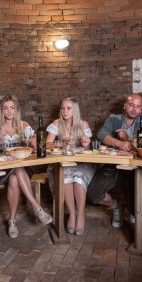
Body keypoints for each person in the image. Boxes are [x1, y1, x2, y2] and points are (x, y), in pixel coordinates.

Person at [0, 95, 52, 238]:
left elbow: (32, 147)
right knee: (16, 171)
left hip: (22, 168)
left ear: (16, 110)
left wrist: (33, 142)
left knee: (15, 178)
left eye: (12, 108)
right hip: (2, 169)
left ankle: (12, 221)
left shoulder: (24, 126)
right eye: (5, 108)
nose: (9, 111)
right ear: (1, 111)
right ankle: (37, 207)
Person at [94, 93, 142, 227]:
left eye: (138, 106)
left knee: (133, 192)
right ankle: (116, 206)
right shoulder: (113, 119)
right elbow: (101, 134)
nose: (134, 109)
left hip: (135, 168)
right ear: (124, 106)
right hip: (112, 165)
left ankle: (132, 212)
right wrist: (119, 143)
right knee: (93, 192)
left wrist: (128, 139)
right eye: (131, 105)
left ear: (141, 109)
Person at [45, 98, 97, 235]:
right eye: (63, 108)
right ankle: (72, 215)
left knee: (78, 177)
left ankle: (80, 214)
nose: (65, 111)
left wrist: (86, 144)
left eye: (68, 108)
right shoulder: (56, 124)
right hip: (62, 163)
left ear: (75, 110)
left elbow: (90, 148)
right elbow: (46, 145)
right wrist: (60, 143)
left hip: (82, 163)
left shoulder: (83, 124)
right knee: (65, 175)